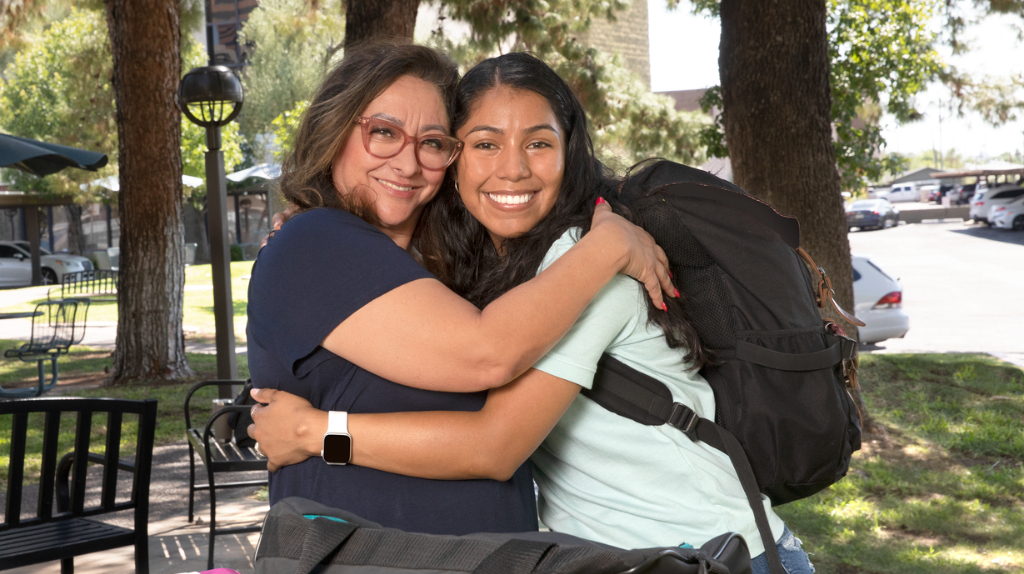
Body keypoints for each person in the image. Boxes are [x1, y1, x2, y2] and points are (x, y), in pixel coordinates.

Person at [250, 52, 815, 574]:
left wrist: (314, 432)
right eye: (485, 143)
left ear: (570, 155)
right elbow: (483, 359)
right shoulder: (558, 266)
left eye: (539, 144)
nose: (513, 170)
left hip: (707, 554)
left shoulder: (576, 269)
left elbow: (493, 443)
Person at [246, 42, 673, 538]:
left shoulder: (444, 268)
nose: (407, 164)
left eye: (431, 142)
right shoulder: (316, 241)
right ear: (335, 130)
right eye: (383, 132)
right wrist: (609, 246)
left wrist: (314, 432)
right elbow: (487, 355)